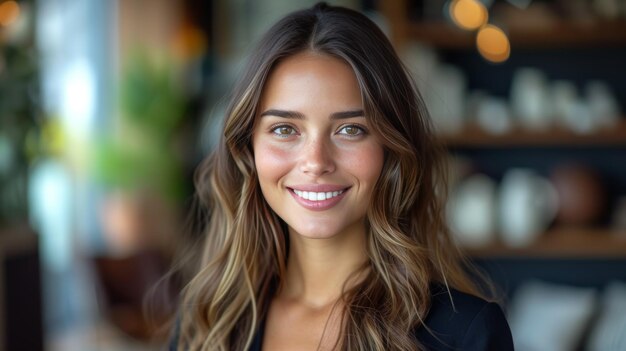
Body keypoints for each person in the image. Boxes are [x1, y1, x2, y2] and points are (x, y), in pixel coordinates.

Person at [169, 3, 514, 350]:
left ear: (391, 149)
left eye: (350, 129)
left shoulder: (464, 333)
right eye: (285, 128)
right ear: (248, 149)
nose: (316, 162)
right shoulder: (208, 321)